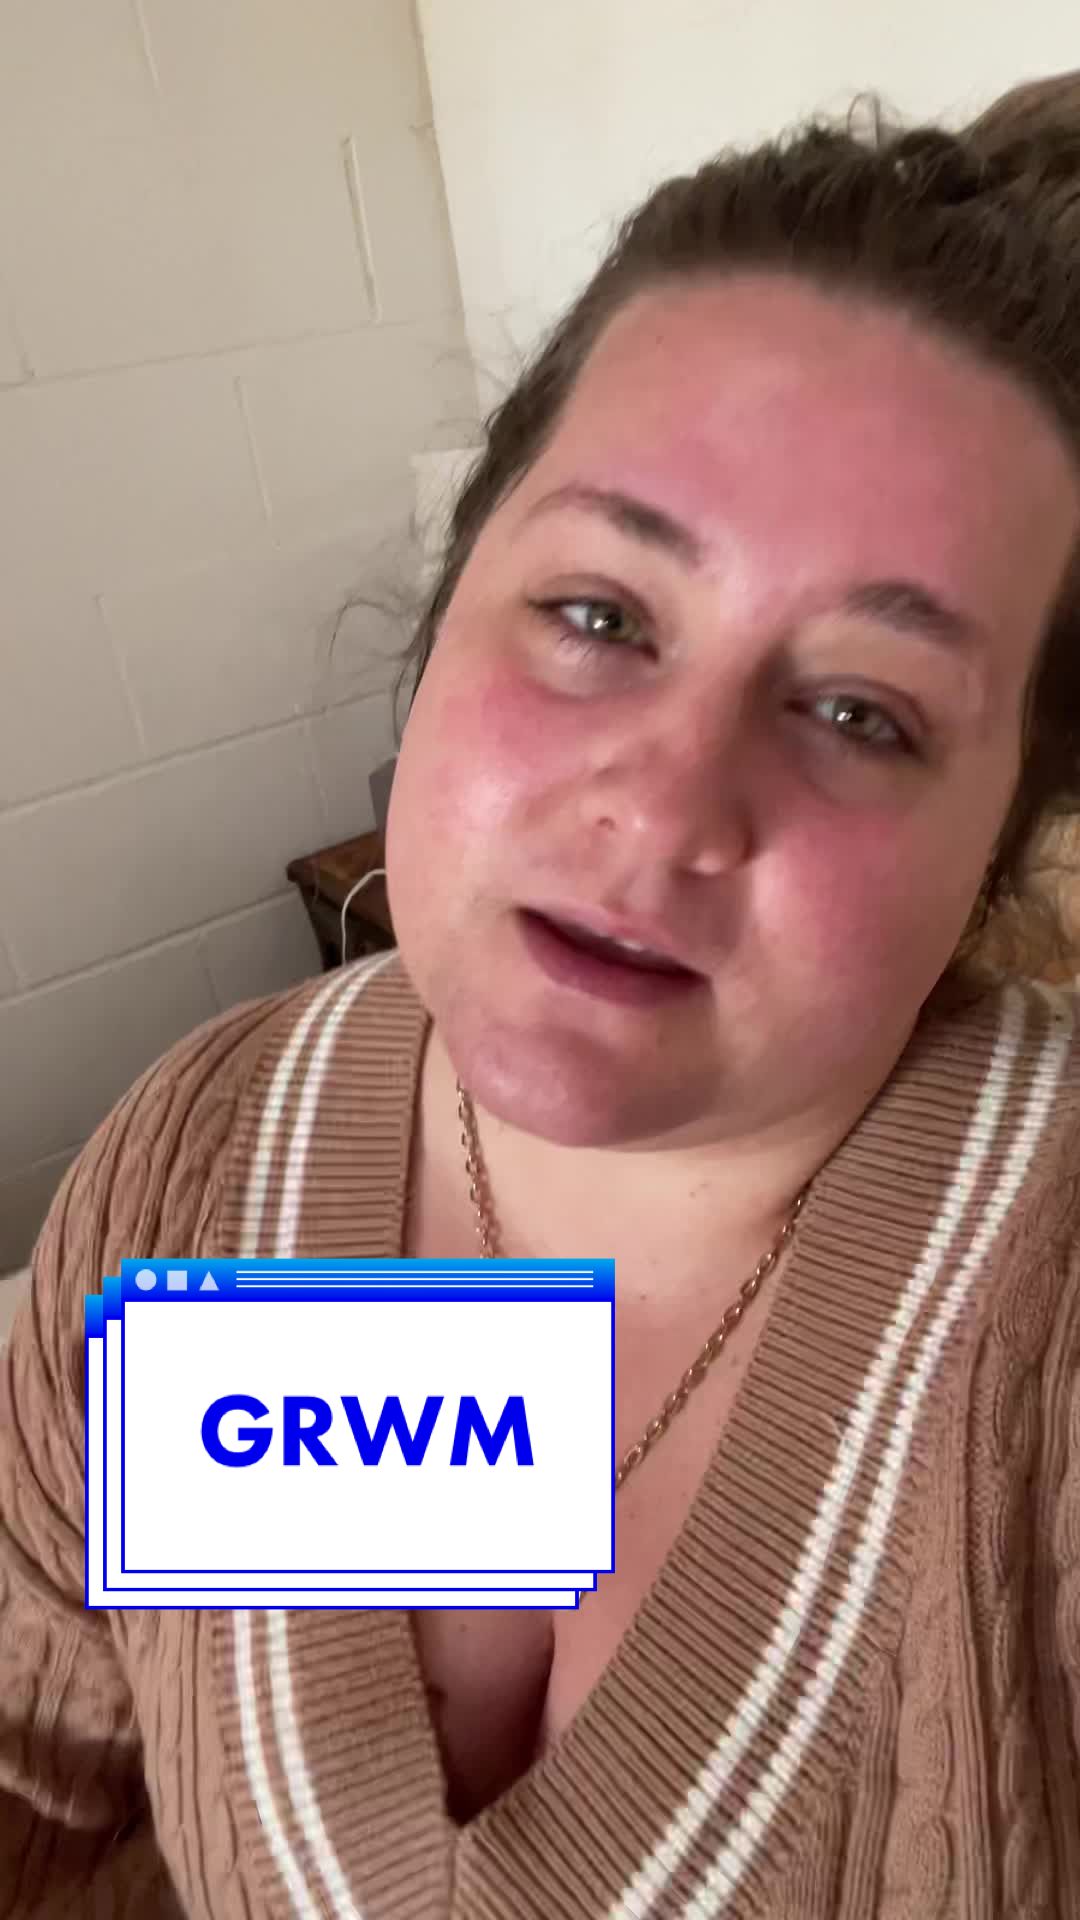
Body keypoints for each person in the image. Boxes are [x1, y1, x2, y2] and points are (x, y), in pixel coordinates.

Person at [4, 69, 1080, 1920]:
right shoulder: (207, 1160)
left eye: (859, 711)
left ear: (1007, 830)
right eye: (602, 615)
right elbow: (42, 1768)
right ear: (451, 598)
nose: (661, 810)